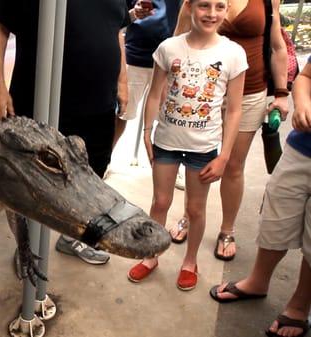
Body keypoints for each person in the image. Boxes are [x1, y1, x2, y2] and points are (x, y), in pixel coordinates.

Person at [0, 0, 132, 265]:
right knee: (27, 184)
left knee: (92, 173)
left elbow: (116, 32)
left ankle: (73, 238)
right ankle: (26, 248)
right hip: (39, 103)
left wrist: (122, 80)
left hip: (98, 103)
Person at [127, 0, 248, 290]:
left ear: (227, 9)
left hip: (203, 147)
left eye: (220, 6)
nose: (212, 13)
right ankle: (151, 255)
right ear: (190, 7)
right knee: (160, 202)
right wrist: (147, 130)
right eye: (204, 6)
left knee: (195, 209)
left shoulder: (233, 53)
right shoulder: (169, 48)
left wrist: (224, 156)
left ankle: (190, 261)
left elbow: (234, 110)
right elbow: (155, 94)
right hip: (167, 141)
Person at [169, 0, 289, 261]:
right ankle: (190, 217)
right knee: (197, 160)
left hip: (249, 92)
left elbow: (277, 46)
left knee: (234, 165)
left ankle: (227, 231)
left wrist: (281, 93)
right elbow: (178, 38)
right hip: (202, 93)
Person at [209, 57, 311, 337]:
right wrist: (302, 102)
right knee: (276, 215)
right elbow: (305, 77)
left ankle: (300, 307)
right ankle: (258, 281)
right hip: (302, 148)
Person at [113, 0, 182, 148]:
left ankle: (162, 166)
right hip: (134, 57)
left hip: (168, 62)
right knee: (121, 113)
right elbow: (117, 17)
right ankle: (104, 160)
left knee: (167, 118)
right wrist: (134, 13)